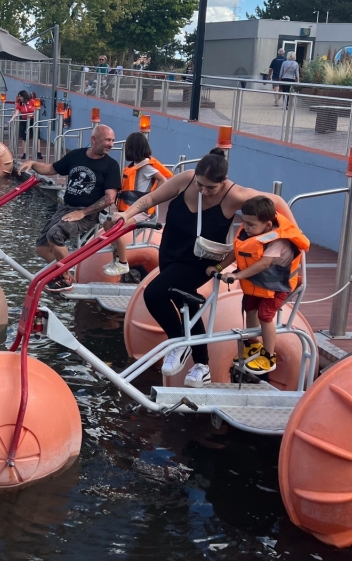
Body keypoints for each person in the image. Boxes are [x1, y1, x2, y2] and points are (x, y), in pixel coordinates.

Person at [116, 148, 294, 387]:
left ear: (224, 181)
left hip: (201, 262)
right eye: (200, 185)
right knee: (186, 303)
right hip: (170, 253)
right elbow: (150, 199)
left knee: (154, 294)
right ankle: (202, 366)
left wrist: (294, 239)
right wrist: (125, 215)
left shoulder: (235, 195)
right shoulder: (186, 179)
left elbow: (278, 202)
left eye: (211, 187)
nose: (204, 191)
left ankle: (178, 343)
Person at [18, 125, 121, 293]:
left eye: (113, 141)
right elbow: (51, 169)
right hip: (65, 208)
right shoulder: (76, 155)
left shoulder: (111, 165)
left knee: (55, 235)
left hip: (87, 213)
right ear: (94, 139)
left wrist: (83, 212)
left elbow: (110, 198)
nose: (111, 144)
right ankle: (65, 273)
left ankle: (65, 279)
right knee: (42, 248)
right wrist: (33, 164)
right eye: (108, 140)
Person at [218, 195, 310, 375]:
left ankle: (269, 356)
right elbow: (238, 250)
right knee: (249, 308)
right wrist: (219, 267)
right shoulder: (252, 232)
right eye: (244, 222)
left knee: (265, 316)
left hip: (278, 286)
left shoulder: (278, 241)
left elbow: (263, 264)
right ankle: (253, 345)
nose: (246, 227)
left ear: (268, 225)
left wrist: (237, 275)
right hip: (258, 283)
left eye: (250, 224)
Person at [103, 132, 172, 276]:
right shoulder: (133, 166)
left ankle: (122, 263)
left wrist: (152, 197)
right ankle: (116, 258)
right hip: (130, 209)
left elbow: (163, 180)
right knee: (107, 224)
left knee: (116, 228)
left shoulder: (146, 167)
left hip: (142, 211)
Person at [14, 90, 35, 158]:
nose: (19, 98)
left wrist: (32, 114)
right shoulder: (19, 104)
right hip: (24, 121)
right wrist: (11, 120)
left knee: (36, 136)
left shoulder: (32, 101)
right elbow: (16, 113)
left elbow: (36, 110)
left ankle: (38, 152)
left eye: (20, 96)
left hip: (33, 120)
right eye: (19, 97)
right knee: (24, 137)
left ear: (24, 96)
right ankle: (25, 153)